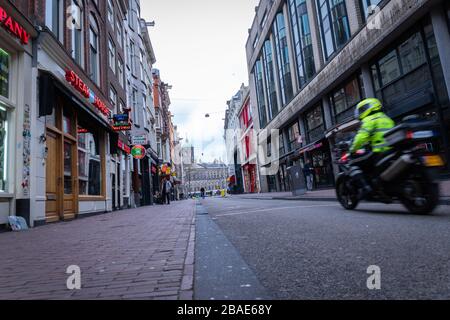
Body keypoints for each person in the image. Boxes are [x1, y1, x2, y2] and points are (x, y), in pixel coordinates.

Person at [349, 98, 395, 198]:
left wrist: (352, 149)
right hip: (391, 151)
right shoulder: (387, 119)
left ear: (367, 108)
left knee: (353, 163)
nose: (361, 113)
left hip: (378, 152)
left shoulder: (369, 119)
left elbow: (361, 138)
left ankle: (366, 188)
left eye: (362, 110)